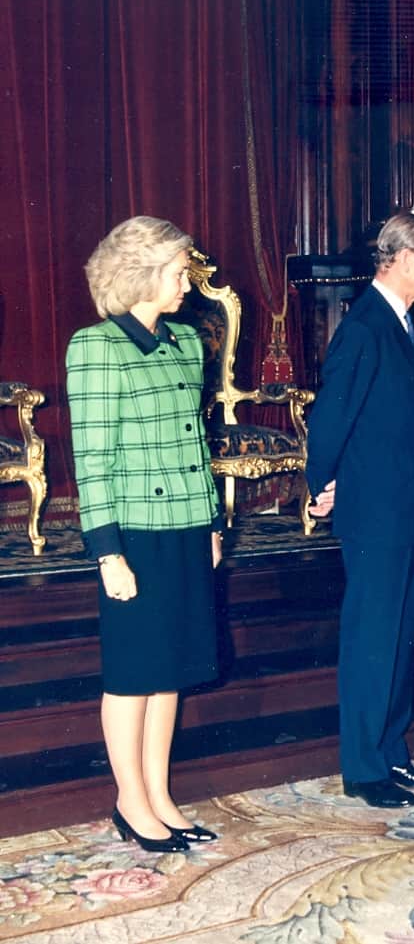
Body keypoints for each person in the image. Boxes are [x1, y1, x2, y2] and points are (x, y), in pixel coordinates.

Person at [67, 216, 223, 853]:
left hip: (187, 526)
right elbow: (93, 462)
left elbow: (198, 445)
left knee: (171, 670)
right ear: (141, 273)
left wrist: (213, 522)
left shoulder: (187, 343)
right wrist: (107, 552)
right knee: (133, 671)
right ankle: (130, 801)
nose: (187, 281)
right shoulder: (96, 347)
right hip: (133, 532)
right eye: (178, 269)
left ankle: (159, 794)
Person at [305, 213, 414, 809]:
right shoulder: (364, 327)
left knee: (399, 636)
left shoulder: (399, 323)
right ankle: (363, 767)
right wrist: (322, 483)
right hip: (378, 515)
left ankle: (390, 750)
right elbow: (331, 416)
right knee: (373, 638)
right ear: (405, 259)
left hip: (406, 510)